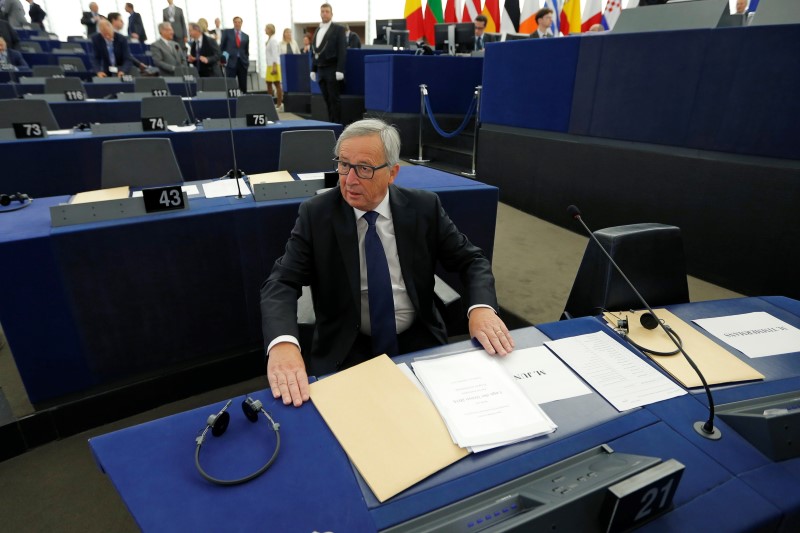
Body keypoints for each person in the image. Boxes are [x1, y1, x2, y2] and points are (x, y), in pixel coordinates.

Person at [261, 118, 514, 407]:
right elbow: (281, 282)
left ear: (392, 173)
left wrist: (481, 309)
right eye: (343, 165)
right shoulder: (316, 214)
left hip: (417, 337)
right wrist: (282, 342)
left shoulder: (423, 207)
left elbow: (472, 260)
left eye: (364, 168)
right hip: (346, 344)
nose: (349, 180)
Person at [310, 3, 347, 123]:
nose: (324, 13)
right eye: (322, 11)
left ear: (331, 14)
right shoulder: (317, 29)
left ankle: (337, 125)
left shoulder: (339, 29)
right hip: (320, 70)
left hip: (332, 69)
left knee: (334, 100)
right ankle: (331, 123)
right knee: (326, 99)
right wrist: (313, 69)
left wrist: (340, 69)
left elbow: (342, 51)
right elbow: (315, 51)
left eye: (327, 11)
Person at [220, 16, 249, 93]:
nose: (237, 24)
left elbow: (246, 51)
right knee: (230, 83)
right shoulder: (227, 32)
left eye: (239, 22)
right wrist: (222, 60)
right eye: (235, 22)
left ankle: (243, 99)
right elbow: (222, 47)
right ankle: (231, 101)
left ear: (241, 23)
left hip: (242, 63)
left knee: (243, 84)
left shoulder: (246, 36)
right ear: (233, 23)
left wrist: (246, 61)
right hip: (230, 62)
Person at [264, 24, 283, 110]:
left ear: (271, 30)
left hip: (273, 64)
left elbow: (275, 53)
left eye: (267, 28)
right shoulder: (270, 39)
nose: (265, 30)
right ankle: (270, 103)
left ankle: (279, 104)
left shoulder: (273, 40)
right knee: (268, 84)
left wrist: (274, 66)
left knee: (277, 84)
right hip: (269, 64)